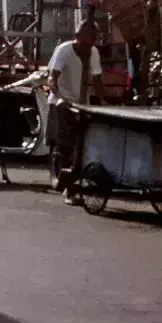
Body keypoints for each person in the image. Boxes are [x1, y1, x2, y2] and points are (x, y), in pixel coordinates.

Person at [47, 20, 104, 205]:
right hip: (62, 103)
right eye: (86, 42)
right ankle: (67, 189)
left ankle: (76, 183)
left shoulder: (93, 53)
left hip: (82, 104)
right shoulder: (64, 50)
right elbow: (52, 79)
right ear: (77, 37)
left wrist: (103, 102)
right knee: (66, 145)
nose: (89, 46)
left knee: (83, 145)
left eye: (92, 42)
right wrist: (60, 97)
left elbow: (96, 80)